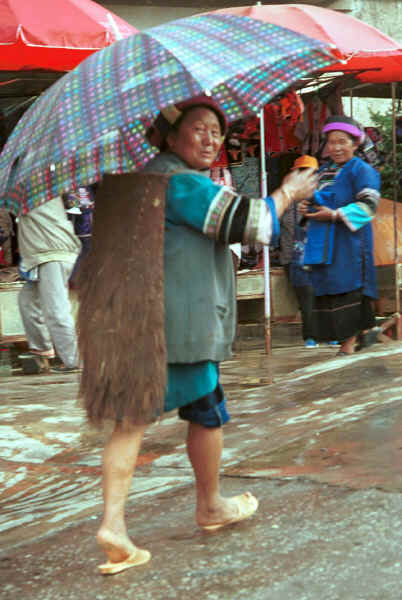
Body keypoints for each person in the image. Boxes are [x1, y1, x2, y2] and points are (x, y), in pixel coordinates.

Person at [82, 96, 318, 575]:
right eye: (199, 129)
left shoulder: (137, 182)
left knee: (135, 419)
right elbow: (252, 224)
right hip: (180, 326)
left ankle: (115, 524)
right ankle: (207, 505)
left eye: (216, 130)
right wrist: (289, 192)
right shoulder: (182, 184)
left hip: (135, 322)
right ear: (170, 137)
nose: (211, 139)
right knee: (206, 408)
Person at [300, 115, 381, 356]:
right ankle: (361, 336)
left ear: (355, 144)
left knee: (349, 287)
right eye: (331, 142)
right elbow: (315, 199)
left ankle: (349, 343)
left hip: (351, 244)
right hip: (325, 245)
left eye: (342, 141)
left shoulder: (362, 171)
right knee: (329, 288)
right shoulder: (324, 171)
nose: (335, 147)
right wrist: (307, 209)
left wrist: (334, 215)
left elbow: (368, 206)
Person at [17, 196, 82, 373]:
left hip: (53, 254)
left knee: (55, 310)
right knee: (28, 302)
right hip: (43, 255)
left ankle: (74, 361)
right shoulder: (40, 192)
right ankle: (42, 351)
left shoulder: (32, 194)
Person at [280, 155, 320, 348]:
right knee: (307, 295)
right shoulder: (285, 201)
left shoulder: (322, 199)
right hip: (291, 258)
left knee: (320, 294)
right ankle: (311, 335)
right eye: (301, 172)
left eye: (309, 173)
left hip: (317, 258)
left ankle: (325, 333)